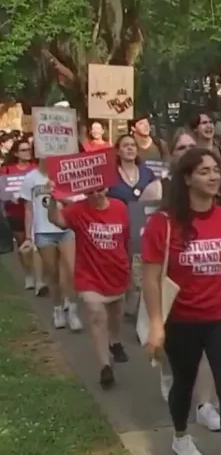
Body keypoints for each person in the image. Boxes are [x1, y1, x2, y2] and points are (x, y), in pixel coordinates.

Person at [142, 147, 221, 455]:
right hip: (182, 320)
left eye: (216, 171)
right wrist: (156, 324)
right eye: (204, 171)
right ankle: (180, 435)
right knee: (183, 385)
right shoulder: (163, 223)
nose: (213, 177)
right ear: (187, 179)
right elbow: (150, 278)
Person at [154, 127, 221, 432]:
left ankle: (205, 405)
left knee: (207, 354)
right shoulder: (158, 191)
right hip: (175, 300)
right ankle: (169, 374)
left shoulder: (215, 198)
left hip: (210, 303)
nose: (189, 152)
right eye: (182, 148)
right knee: (181, 366)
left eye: (191, 146)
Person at [46, 186, 130, 389]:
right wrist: (52, 198)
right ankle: (105, 366)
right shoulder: (77, 210)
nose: (96, 195)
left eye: (99, 190)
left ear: (106, 188)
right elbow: (56, 220)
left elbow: (125, 238)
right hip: (89, 274)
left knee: (115, 314)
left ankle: (115, 341)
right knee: (96, 314)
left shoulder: (119, 207)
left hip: (116, 271)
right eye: (91, 192)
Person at [20, 161, 83, 330]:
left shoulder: (68, 173)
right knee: (52, 273)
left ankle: (73, 311)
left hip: (66, 229)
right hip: (43, 232)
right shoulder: (31, 178)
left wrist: (58, 195)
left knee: (71, 271)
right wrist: (28, 236)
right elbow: (28, 209)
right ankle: (57, 310)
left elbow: (77, 202)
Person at [1, 139, 40, 291]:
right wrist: (8, 197)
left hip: (36, 211)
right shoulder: (7, 170)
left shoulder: (36, 168)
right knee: (23, 244)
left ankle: (40, 278)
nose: (27, 152)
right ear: (16, 153)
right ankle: (28, 274)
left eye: (29, 149)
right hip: (15, 212)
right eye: (23, 150)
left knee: (37, 245)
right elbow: (2, 190)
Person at [108, 134, 161, 205]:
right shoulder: (110, 175)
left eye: (133, 145)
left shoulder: (148, 173)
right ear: (117, 151)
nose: (130, 148)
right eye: (125, 145)